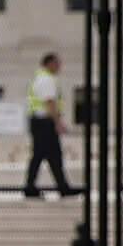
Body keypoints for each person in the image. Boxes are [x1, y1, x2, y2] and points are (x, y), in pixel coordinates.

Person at [25, 52, 73, 198]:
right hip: (44, 123)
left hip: (40, 122)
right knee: (43, 155)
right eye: (57, 63)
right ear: (49, 63)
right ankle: (30, 187)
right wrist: (58, 123)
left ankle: (62, 187)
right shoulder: (46, 79)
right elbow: (50, 102)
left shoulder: (40, 77)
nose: (59, 67)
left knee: (51, 156)